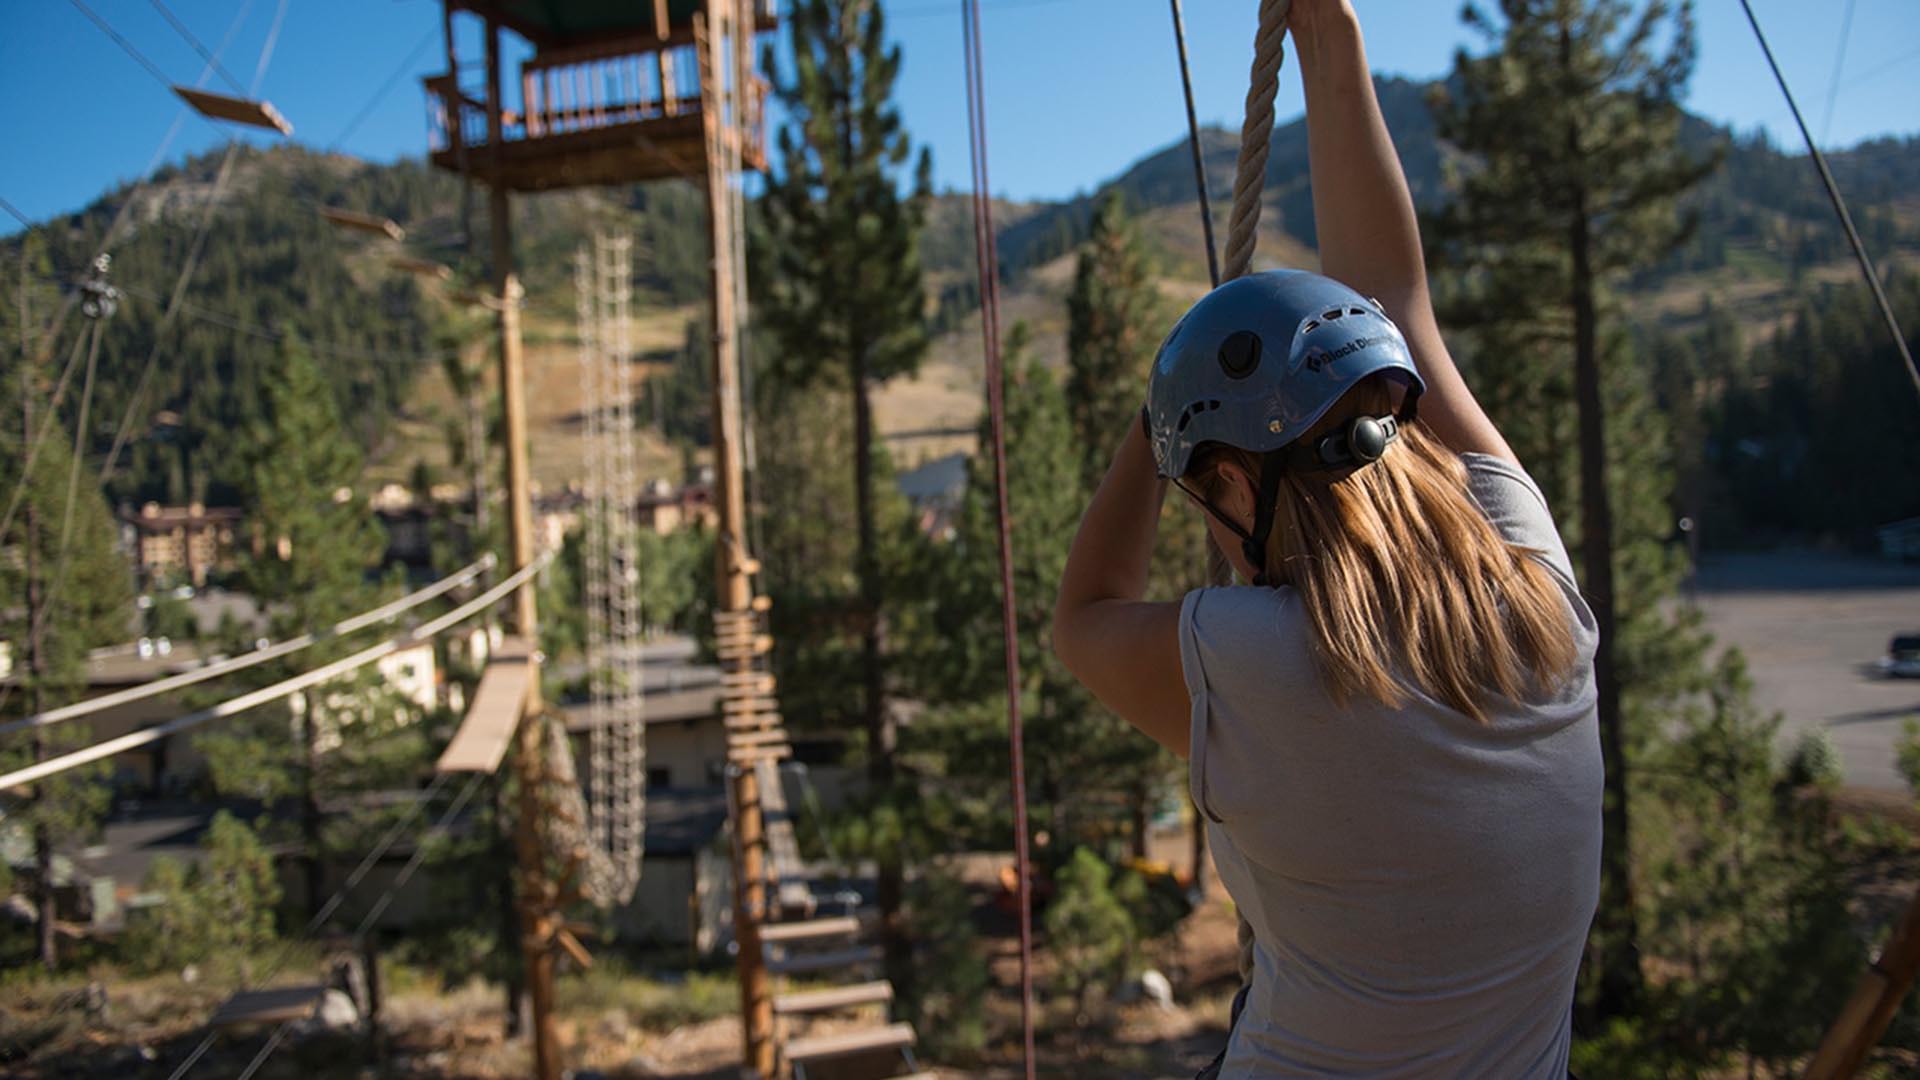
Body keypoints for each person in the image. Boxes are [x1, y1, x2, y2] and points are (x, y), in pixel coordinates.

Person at [1050, 1, 1601, 1076]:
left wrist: (1156, 402)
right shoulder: (1540, 592)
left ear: (1225, 482)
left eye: (1204, 493)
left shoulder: (1259, 664)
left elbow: (1084, 621)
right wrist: (1329, 33)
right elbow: (1398, 303)